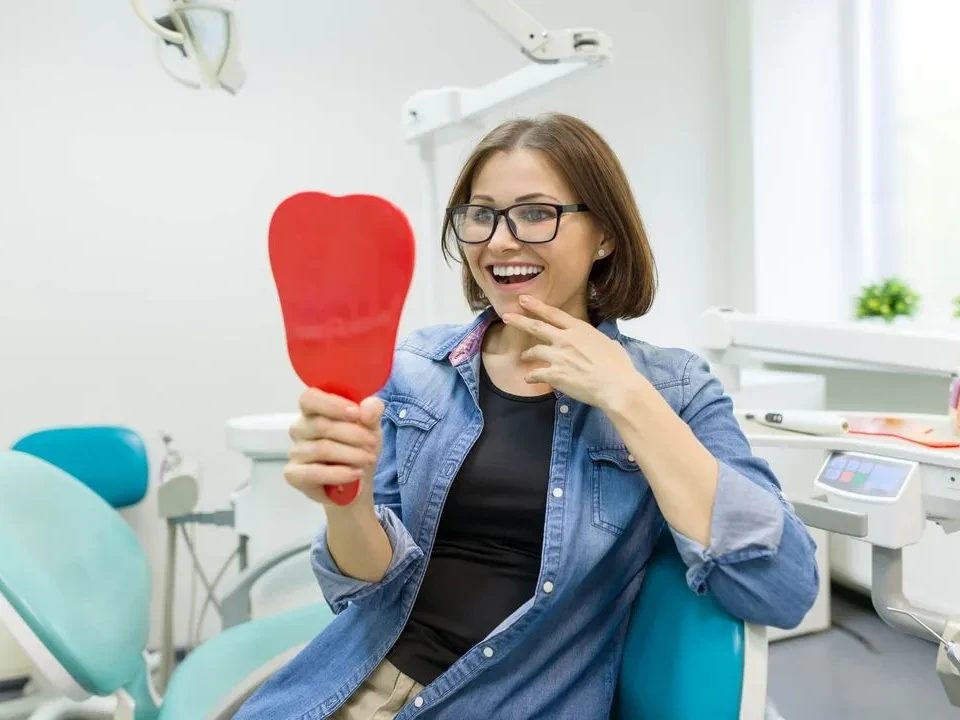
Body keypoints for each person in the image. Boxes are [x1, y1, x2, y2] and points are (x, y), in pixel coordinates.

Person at [234, 113, 819, 720]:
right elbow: (364, 590)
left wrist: (626, 394)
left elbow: (782, 587)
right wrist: (344, 502)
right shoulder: (412, 370)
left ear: (605, 236)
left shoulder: (674, 389)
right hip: (345, 688)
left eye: (537, 213)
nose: (500, 241)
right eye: (480, 214)